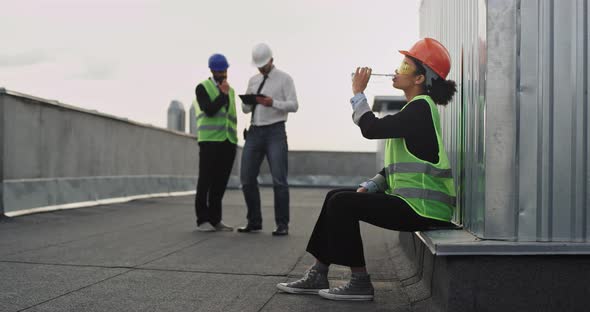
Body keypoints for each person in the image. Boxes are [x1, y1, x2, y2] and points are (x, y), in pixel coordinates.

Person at [275, 38, 458, 301]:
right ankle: (318, 272)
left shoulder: (420, 108)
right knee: (334, 197)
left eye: (404, 65)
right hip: (413, 205)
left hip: (424, 210)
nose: (397, 70)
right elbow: (397, 166)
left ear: (419, 78)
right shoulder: (415, 109)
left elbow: (371, 129)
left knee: (342, 204)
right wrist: (371, 185)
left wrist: (358, 94)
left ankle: (360, 281)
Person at [237, 43, 299, 236]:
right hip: (254, 131)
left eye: (263, 65)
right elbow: (245, 110)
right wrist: (248, 102)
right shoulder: (253, 80)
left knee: (279, 180)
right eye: (259, 66)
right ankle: (254, 222)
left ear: (272, 60)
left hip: (275, 132)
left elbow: (294, 105)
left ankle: (282, 224)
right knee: (247, 178)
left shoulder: (285, 79)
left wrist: (272, 103)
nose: (261, 68)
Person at [193, 53, 237, 232]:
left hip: (228, 141)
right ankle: (202, 219)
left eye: (224, 70)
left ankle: (216, 219)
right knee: (205, 180)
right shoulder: (202, 88)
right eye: (219, 71)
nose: (222, 74)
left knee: (220, 182)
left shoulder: (231, 90)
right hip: (209, 141)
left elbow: (231, 116)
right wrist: (222, 95)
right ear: (212, 70)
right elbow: (209, 110)